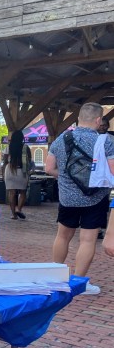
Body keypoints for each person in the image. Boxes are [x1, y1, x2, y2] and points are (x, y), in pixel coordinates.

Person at [45, 102, 114, 295]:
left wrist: (66, 178)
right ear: (99, 120)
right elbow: (112, 171)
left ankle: (55, 277)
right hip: (96, 197)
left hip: (67, 198)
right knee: (87, 240)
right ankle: (79, 283)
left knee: (63, 236)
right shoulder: (106, 141)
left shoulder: (61, 139)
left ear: (79, 117)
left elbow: (49, 168)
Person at [3, 130, 33, 220]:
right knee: (23, 192)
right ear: (21, 137)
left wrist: (2, 173)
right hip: (21, 171)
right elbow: (30, 160)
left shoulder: (8, 147)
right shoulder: (26, 147)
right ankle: (19, 209)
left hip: (10, 170)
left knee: (11, 193)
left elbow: (5, 161)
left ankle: (13, 215)